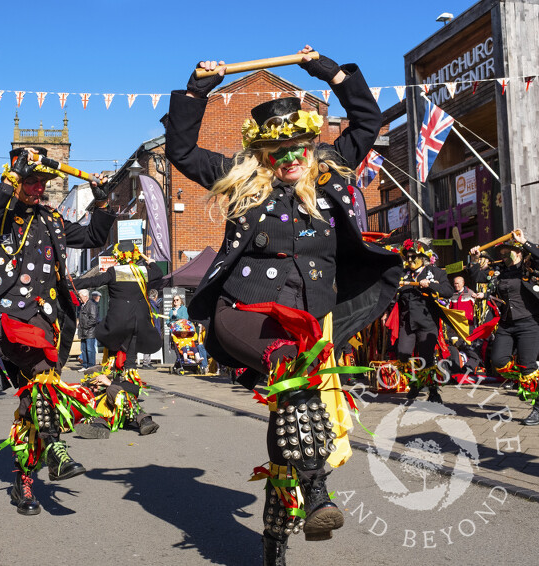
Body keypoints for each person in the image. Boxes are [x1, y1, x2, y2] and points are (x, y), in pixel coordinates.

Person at [164, 47, 401, 564]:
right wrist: (195, 89)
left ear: (310, 145)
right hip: (244, 312)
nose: (290, 157)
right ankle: (317, 495)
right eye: (278, 150)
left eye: (298, 147)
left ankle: (274, 535)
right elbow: (180, 151)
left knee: (290, 418)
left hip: (308, 322)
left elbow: (368, 119)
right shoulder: (240, 179)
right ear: (262, 154)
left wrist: (329, 71)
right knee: (293, 376)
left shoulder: (332, 170)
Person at [0, 147, 115, 515]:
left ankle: (24, 482)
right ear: (18, 179)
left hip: (45, 318)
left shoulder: (52, 220)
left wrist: (102, 206)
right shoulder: (4, 211)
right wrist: (12, 178)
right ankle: (56, 449)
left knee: (33, 399)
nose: (38, 189)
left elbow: (90, 237)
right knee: (40, 373)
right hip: (7, 316)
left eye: (42, 183)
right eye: (32, 181)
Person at [469, 230, 539, 424]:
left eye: (506, 251)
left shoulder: (529, 267)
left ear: (517, 252)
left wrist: (524, 241)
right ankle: (529, 380)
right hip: (506, 324)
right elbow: (478, 277)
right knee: (499, 362)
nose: (502, 255)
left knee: (528, 366)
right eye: (500, 253)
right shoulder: (499, 271)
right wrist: (475, 260)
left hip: (529, 323)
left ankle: (537, 407)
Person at [73, 245, 164, 374]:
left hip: (118, 318)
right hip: (138, 319)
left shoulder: (113, 271)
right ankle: (130, 374)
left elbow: (94, 281)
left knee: (112, 344)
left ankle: (114, 374)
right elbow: (159, 273)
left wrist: (71, 283)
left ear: (118, 256)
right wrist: (152, 263)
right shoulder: (142, 271)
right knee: (132, 351)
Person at [387, 240, 453, 403]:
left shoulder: (435, 273)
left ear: (422, 257)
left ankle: (433, 392)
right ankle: (415, 382)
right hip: (407, 322)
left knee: (426, 358)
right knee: (403, 354)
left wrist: (431, 285)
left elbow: (448, 292)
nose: (409, 260)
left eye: (413, 257)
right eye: (407, 257)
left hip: (427, 322)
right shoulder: (403, 274)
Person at [140, 288, 163, 369]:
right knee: (148, 344)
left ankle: (147, 362)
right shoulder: (152, 305)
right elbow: (154, 318)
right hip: (151, 327)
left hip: (148, 327)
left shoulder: (148, 303)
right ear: (156, 296)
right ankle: (146, 363)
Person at [77, 289, 98, 370]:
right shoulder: (83, 305)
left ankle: (91, 366)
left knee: (90, 350)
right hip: (83, 331)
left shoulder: (91, 305)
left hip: (89, 331)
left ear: (86, 296)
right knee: (83, 349)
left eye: (80, 297)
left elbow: (93, 319)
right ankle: (85, 365)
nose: (79, 299)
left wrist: (85, 326)